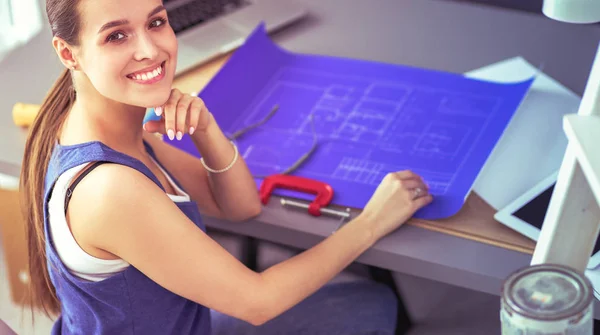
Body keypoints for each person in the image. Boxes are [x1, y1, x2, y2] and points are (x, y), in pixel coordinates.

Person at [20, 0, 433, 334]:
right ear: (67, 53)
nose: (149, 50)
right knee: (371, 308)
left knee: (368, 304)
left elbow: (240, 207)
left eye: (157, 22)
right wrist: (373, 222)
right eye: (116, 35)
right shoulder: (110, 189)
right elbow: (258, 302)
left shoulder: (114, 125)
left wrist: (205, 129)